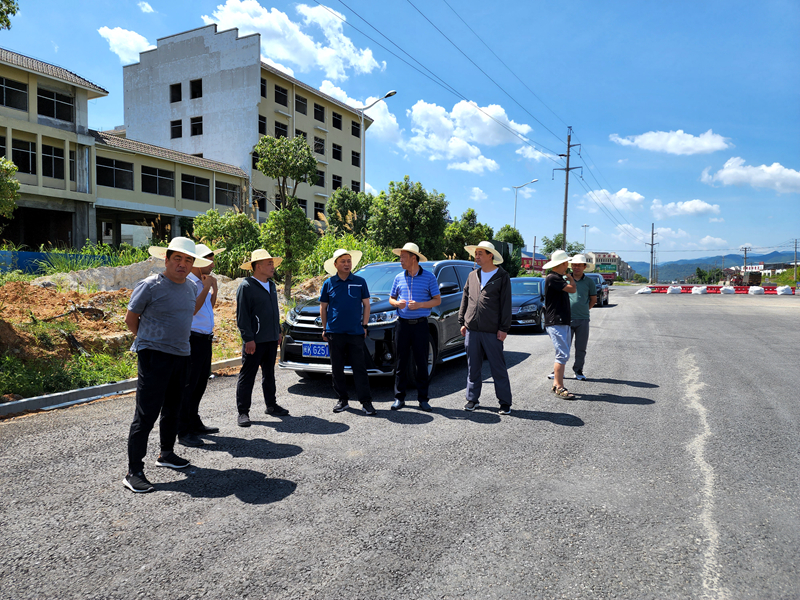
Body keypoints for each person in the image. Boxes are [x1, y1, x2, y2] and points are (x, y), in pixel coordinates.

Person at [123, 237, 212, 493]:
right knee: (146, 413)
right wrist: (149, 341)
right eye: (177, 258)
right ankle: (134, 471)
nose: (182, 264)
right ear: (167, 259)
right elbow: (131, 319)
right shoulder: (150, 285)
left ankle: (166, 454)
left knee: (173, 408)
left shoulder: (190, 288)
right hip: (154, 356)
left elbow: (188, 313)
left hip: (182, 355)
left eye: (188, 260)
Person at [177, 244, 224, 448]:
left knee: (200, 384)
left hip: (205, 339)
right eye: (209, 259)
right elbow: (193, 311)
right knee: (188, 385)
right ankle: (183, 430)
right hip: (192, 339)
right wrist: (206, 287)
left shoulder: (203, 281)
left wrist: (213, 290)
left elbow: (208, 307)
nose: (213, 264)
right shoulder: (189, 283)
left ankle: (193, 421)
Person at [235, 249, 289, 427]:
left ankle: (271, 406)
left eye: (272, 263)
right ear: (257, 266)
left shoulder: (271, 285)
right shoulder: (247, 286)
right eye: (269, 263)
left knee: (269, 374)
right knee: (248, 375)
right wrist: (248, 339)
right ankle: (243, 412)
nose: (273, 267)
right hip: (255, 341)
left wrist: (278, 332)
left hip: (271, 338)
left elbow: (274, 311)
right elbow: (242, 316)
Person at [319, 248, 376, 416]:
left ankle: (366, 402)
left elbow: (367, 305)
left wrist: (364, 326)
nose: (346, 264)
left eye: (349, 261)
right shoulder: (328, 283)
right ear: (335, 264)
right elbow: (323, 307)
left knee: (360, 368)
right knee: (337, 368)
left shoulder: (360, 281)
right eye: (343, 261)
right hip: (334, 333)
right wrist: (325, 328)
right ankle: (342, 400)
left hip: (355, 333)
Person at [458, 241, 513, 415]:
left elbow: (506, 305)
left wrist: (504, 328)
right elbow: (465, 299)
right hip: (472, 330)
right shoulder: (472, 275)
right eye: (476, 254)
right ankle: (472, 400)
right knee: (473, 367)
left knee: (498, 367)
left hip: (492, 331)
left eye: (480, 253)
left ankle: (504, 402)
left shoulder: (502, 276)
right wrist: (462, 322)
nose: (477, 257)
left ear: (491, 255)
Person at [388, 242, 441, 412]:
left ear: (413, 258)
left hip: (420, 326)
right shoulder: (398, 277)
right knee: (400, 362)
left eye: (403, 257)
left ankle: (423, 399)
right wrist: (397, 303)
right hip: (402, 325)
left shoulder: (429, 277)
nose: (400, 260)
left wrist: (419, 305)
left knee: (421, 362)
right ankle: (399, 398)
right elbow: (391, 298)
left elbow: (437, 300)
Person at [543, 250, 577, 400]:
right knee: (562, 354)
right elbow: (573, 289)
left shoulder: (556, 278)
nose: (568, 265)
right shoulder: (553, 277)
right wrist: (571, 278)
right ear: (562, 263)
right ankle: (558, 386)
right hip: (556, 321)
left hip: (562, 321)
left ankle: (557, 384)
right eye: (567, 263)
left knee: (564, 353)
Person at [567, 254, 597, 381]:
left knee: (581, 347)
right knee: (563, 347)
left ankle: (578, 370)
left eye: (579, 265)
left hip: (583, 319)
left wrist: (584, 309)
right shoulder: (565, 279)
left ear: (584, 267)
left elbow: (593, 299)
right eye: (574, 265)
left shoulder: (589, 282)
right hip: (566, 318)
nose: (576, 267)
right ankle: (558, 370)